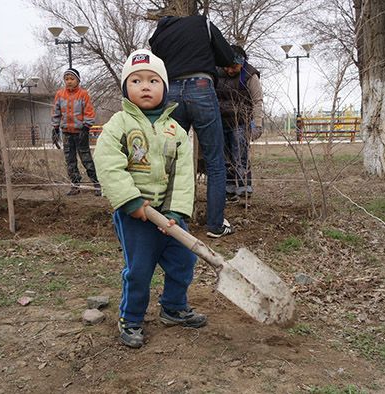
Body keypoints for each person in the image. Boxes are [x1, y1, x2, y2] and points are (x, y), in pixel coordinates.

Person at [95, 49, 205, 349]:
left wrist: (177, 212)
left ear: (165, 87)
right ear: (125, 88)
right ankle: (131, 318)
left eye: (153, 80)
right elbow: (107, 163)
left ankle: (173, 307)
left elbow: (183, 173)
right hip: (134, 215)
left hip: (168, 215)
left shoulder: (176, 130)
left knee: (184, 260)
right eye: (137, 80)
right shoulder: (119, 124)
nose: (146, 86)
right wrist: (131, 202)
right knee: (140, 269)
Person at [149, 14, 236, 238]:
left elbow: (154, 65)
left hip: (171, 92)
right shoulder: (201, 22)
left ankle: (168, 218)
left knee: (171, 160)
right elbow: (227, 56)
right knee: (215, 161)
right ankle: (215, 225)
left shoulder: (159, 35)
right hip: (201, 86)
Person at [216, 45, 264, 200]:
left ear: (242, 63)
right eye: (227, 66)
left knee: (240, 155)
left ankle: (244, 187)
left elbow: (257, 101)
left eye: (234, 67)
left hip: (241, 123)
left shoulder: (250, 76)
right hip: (220, 122)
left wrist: (257, 124)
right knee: (225, 157)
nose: (230, 70)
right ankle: (229, 189)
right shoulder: (216, 73)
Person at [51, 68, 100, 196]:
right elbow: (56, 112)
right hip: (66, 132)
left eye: (72, 79)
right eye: (66, 79)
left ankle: (96, 184)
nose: (69, 81)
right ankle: (75, 185)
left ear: (78, 80)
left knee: (86, 158)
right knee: (70, 159)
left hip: (81, 132)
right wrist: (55, 128)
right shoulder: (60, 95)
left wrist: (86, 127)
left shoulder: (83, 94)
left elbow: (89, 112)